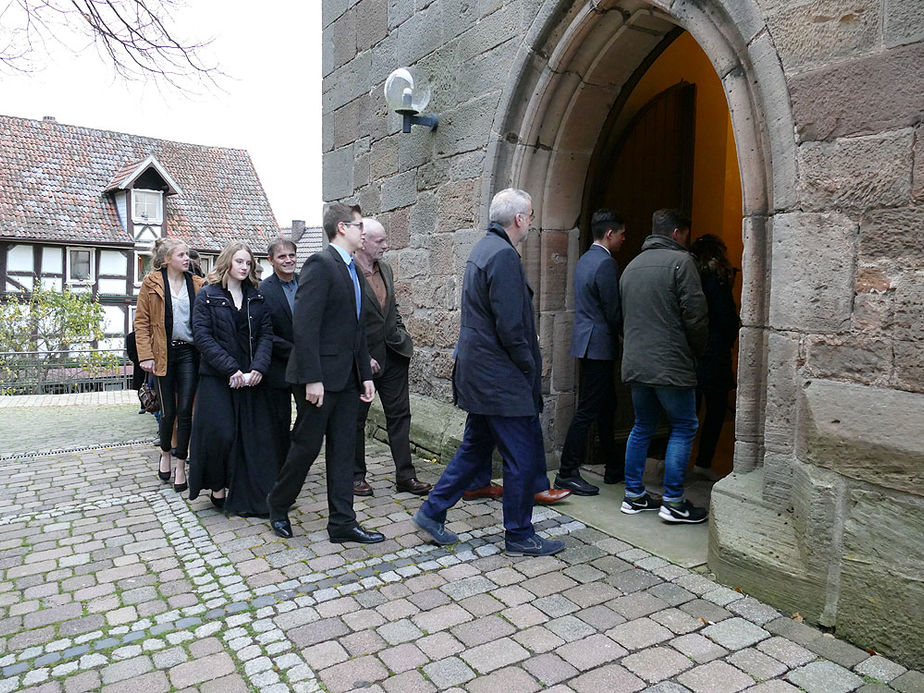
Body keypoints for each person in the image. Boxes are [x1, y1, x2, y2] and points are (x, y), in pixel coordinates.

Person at [413, 188, 565, 557]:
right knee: (521, 457)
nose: (531, 221)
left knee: (474, 450)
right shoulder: (502, 256)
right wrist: (530, 368)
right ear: (518, 219)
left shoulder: (484, 249)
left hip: (482, 376)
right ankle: (519, 534)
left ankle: (431, 512)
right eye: (529, 214)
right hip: (500, 379)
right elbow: (511, 327)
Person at [266, 203, 383, 544]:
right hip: (320, 381)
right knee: (306, 447)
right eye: (360, 226)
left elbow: (357, 330)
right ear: (343, 228)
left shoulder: (353, 270)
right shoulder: (321, 263)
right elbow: (305, 325)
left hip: (347, 380)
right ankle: (278, 503)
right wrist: (312, 378)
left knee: (344, 449)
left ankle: (342, 522)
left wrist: (365, 375)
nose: (364, 232)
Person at [619, 209, 709, 523]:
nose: (687, 240)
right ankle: (672, 501)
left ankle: (633, 495)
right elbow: (695, 315)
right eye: (685, 234)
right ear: (676, 234)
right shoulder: (682, 262)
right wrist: (698, 352)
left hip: (636, 362)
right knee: (684, 427)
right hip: (671, 363)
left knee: (641, 426)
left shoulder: (631, 265)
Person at [187, 242, 276, 515]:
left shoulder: (256, 296)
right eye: (239, 261)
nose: (244, 267)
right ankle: (217, 484)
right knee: (221, 434)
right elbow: (202, 336)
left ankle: (243, 489)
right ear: (227, 262)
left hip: (250, 379)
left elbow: (265, 335)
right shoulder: (208, 295)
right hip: (218, 378)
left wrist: (258, 368)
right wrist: (230, 369)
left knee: (247, 437)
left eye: (248, 263)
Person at [352, 218, 431, 496]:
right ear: (363, 242)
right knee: (356, 420)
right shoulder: (346, 272)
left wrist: (401, 333)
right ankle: (355, 476)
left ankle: (405, 476)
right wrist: (361, 356)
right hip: (362, 362)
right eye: (380, 241)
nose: (387, 245)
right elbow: (344, 320)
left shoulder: (385, 268)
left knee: (400, 416)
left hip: (394, 355)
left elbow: (391, 308)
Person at [554, 208, 626, 495]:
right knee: (588, 410)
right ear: (609, 233)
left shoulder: (586, 259)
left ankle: (612, 466)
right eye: (621, 234)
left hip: (587, 343)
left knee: (607, 406)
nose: (624, 239)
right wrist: (628, 334)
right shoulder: (606, 264)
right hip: (599, 346)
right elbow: (612, 310)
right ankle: (567, 471)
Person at [134, 238, 205, 491]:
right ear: (167, 260)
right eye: (181, 255)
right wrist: (145, 356)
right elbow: (141, 323)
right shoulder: (151, 283)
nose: (187, 259)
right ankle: (165, 452)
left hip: (188, 352)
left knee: (186, 410)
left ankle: (180, 464)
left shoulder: (197, 284)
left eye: (187, 254)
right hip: (163, 354)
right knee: (168, 411)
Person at [689, 234, 740, 476]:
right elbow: (725, 316)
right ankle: (703, 462)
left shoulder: (688, 275)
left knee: (688, 411)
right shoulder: (716, 278)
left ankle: (677, 465)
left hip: (691, 351)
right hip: (714, 352)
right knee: (716, 409)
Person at [260, 237, 304, 474]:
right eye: (282, 256)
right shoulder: (263, 290)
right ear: (271, 260)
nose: (288, 260)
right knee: (279, 418)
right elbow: (264, 332)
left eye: (291, 255)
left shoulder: (306, 283)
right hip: (278, 366)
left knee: (308, 416)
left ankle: (294, 455)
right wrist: (294, 350)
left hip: (306, 365)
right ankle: (280, 465)